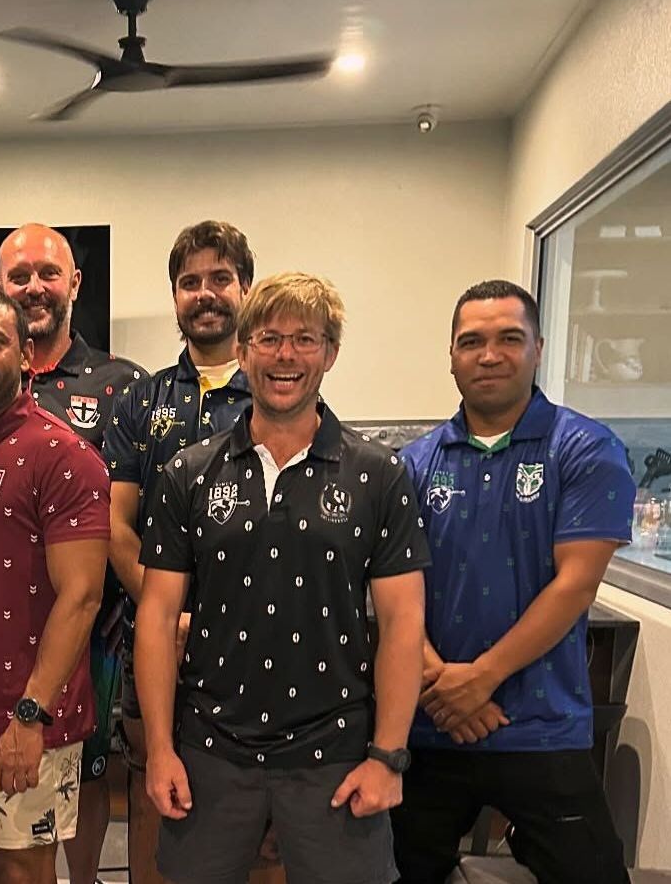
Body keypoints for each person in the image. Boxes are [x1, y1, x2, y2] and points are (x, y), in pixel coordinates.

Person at [136, 272, 428, 884]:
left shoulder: (379, 476)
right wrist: (160, 749)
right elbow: (158, 619)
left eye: (305, 339)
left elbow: (402, 625)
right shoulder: (187, 474)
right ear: (242, 353)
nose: (286, 355)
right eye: (268, 338)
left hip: (337, 751)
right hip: (210, 749)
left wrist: (389, 757)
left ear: (331, 353)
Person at [0, 222, 143, 884]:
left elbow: (83, 594)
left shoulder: (62, 453)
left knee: (24, 872)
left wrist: (29, 715)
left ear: (23, 356)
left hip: (29, 715)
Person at [392, 280, 634, 884]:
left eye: (509, 339)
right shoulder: (414, 464)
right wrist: (442, 684)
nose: (490, 355)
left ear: (538, 348)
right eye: (471, 341)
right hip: (430, 722)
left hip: (541, 728)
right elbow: (391, 591)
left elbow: (574, 586)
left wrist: (482, 679)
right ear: (451, 356)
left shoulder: (585, 449)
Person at [101, 219, 256, 883]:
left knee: (253, 808)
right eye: (189, 281)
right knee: (151, 793)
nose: (204, 293)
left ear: (246, 287)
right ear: (175, 297)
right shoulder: (141, 399)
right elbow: (112, 519)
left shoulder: (277, 390)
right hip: (152, 636)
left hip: (253, 644)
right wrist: (164, 611)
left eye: (219, 277)